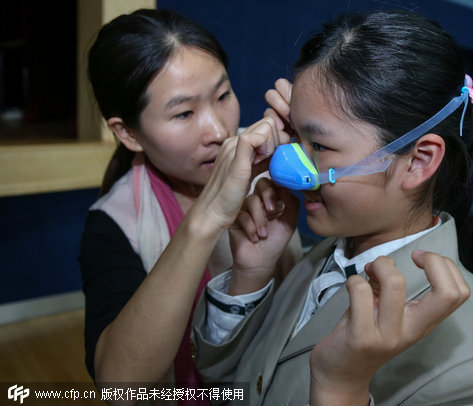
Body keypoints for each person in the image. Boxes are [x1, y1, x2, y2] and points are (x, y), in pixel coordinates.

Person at [191, 10, 473, 405]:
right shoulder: (319, 259)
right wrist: (249, 278)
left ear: (419, 160)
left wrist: (342, 389)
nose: (287, 168)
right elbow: (226, 383)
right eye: (296, 136)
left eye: (319, 146)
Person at [78, 8, 305, 403]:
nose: (218, 131)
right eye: (183, 113)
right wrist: (208, 217)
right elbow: (120, 386)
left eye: (223, 95)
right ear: (128, 133)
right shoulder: (114, 223)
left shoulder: (265, 160)